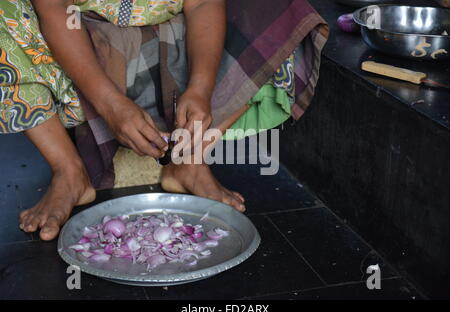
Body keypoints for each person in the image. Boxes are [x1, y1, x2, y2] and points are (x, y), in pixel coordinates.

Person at [0, 0, 328, 240]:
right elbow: (54, 9)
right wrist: (110, 105)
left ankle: (189, 158)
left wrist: (201, 87)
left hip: (178, 42)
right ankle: (69, 171)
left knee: (284, 9)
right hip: (82, 51)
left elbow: (202, 4)